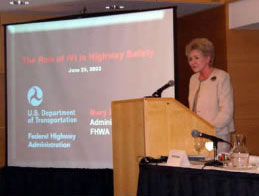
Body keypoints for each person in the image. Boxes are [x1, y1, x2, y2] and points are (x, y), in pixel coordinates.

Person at [185, 38, 235, 153]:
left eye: (196, 58)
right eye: (190, 59)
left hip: (217, 136)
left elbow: (227, 112)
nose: (192, 62)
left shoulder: (222, 77)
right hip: (197, 137)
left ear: (208, 58)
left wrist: (208, 130)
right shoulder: (193, 79)